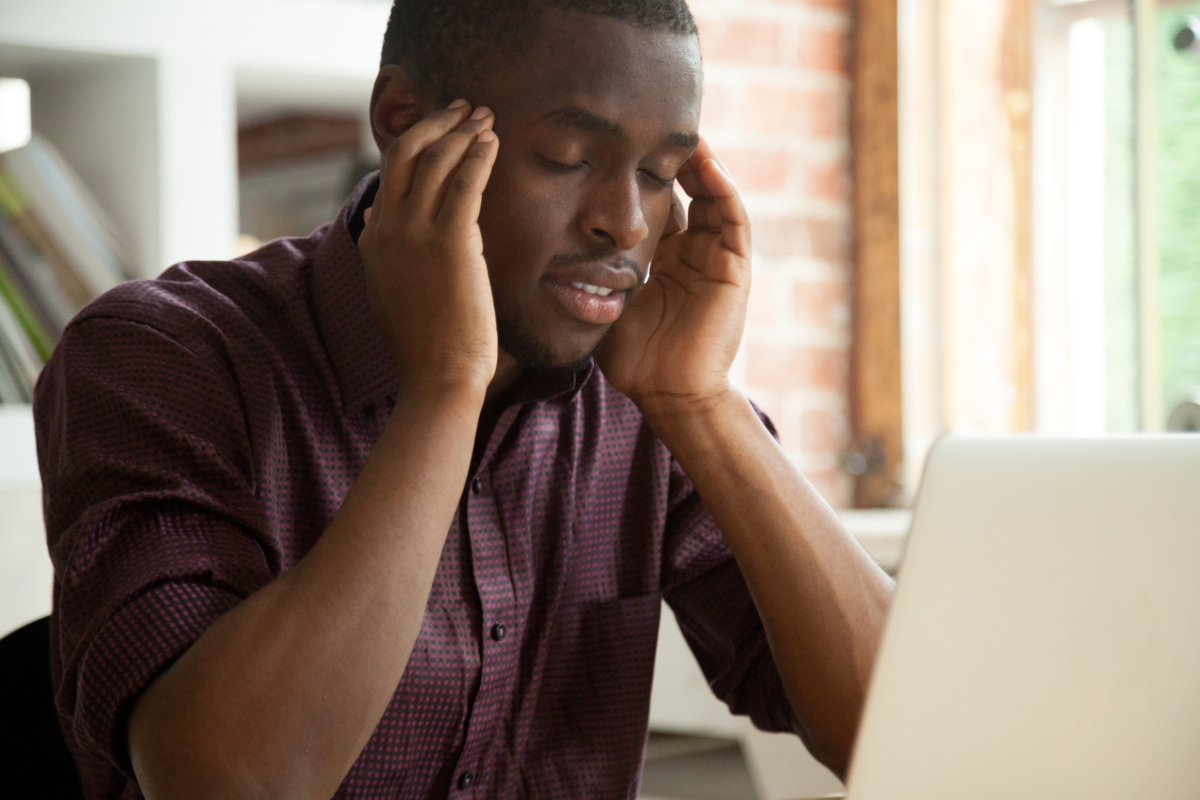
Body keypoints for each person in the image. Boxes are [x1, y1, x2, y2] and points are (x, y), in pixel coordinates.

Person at [35, 1, 894, 798]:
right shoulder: (163, 355)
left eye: (661, 173)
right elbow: (225, 782)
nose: (626, 223)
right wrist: (447, 388)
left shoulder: (642, 403)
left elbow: (897, 732)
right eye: (569, 158)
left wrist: (701, 404)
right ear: (408, 123)